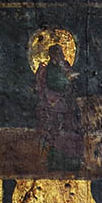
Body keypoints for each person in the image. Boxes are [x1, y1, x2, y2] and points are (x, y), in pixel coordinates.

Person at [35, 42, 81, 172]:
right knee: (56, 133)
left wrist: (69, 77)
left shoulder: (64, 65)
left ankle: (70, 162)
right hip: (54, 105)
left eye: (61, 53)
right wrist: (67, 80)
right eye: (58, 54)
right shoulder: (48, 69)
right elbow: (54, 83)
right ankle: (55, 162)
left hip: (66, 105)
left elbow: (70, 80)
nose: (62, 56)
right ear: (52, 55)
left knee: (69, 131)